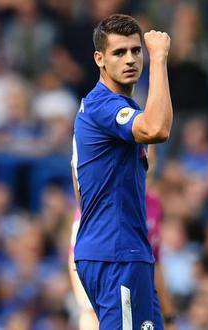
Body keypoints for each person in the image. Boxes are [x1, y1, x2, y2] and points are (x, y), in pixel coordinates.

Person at [71, 14, 173, 330]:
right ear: (99, 59)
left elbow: (79, 186)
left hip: (124, 251)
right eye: (119, 52)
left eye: (135, 50)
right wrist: (158, 59)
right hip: (116, 254)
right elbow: (157, 128)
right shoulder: (104, 106)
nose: (130, 59)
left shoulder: (107, 107)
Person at [68, 145, 177, 329]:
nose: (147, 158)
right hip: (108, 292)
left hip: (140, 288)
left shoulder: (154, 203)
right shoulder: (105, 198)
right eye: (143, 153)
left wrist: (168, 316)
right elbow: (74, 257)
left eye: (150, 154)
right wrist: (88, 309)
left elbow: (156, 262)